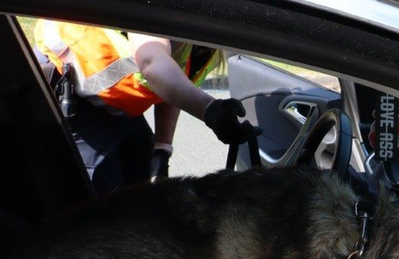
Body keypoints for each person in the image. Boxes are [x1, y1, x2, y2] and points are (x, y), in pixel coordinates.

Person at [34, 20, 252, 196]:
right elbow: (152, 64)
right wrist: (209, 109)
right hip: (73, 95)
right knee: (102, 201)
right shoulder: (168, 10)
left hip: (115, 103)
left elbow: (172, 84)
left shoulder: (206, 28)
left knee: (140, 181)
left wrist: (162, 148)